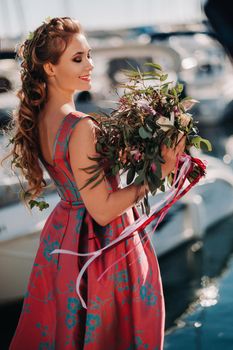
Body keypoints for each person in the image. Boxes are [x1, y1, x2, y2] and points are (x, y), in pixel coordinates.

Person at [5, 17, 185, 350]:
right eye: (77, 58)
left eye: (88, 55)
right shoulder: (79, 125)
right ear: (49, 68)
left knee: (64, 333)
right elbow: (102, 210)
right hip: (99, 244)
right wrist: (158, 172)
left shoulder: (43, 116)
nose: (90, 64)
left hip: (63, 236)